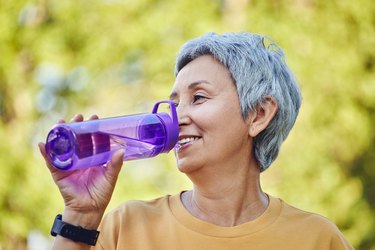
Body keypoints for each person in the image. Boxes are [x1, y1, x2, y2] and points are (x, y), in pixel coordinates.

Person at [39, 32, 353, 249]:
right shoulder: (126, 227)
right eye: (173, 105)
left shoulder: (317, 239)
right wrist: (79, 217)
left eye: (198, 97)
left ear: (258, 114)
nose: (177, 119)